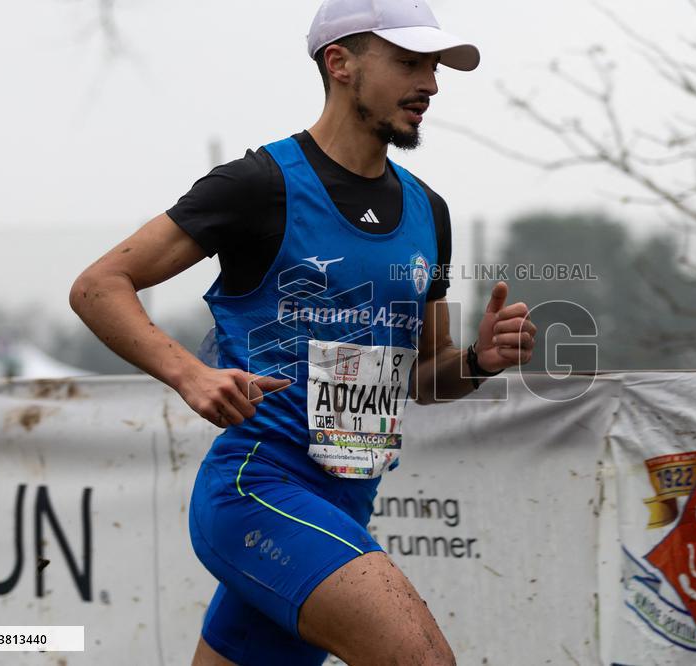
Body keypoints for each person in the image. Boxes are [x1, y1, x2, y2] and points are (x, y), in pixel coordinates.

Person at [70, 0, 536, 663]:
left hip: (345, 503)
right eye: (409, 63)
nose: (430, 84)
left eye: (433, 67)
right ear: (340, 63)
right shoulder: (257, 185)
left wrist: (482, 360)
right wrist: (189, 373)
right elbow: (98, 287)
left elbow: (427, 379)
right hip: (258, 492)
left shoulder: (429, 211)